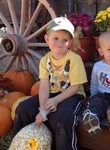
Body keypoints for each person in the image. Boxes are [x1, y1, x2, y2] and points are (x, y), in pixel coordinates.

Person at [11, 17, 88, 150]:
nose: (60, 42)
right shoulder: (44, 61)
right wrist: (42, 110)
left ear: (70, 42)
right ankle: (19, 145)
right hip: (51, 93)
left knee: (62, 116)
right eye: (56, 38)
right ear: (47, 39)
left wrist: (56, 100)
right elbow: (44, 86)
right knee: (23, 108)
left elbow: (75, 87)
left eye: (65, 40)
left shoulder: (74, 59)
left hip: (72, 95)